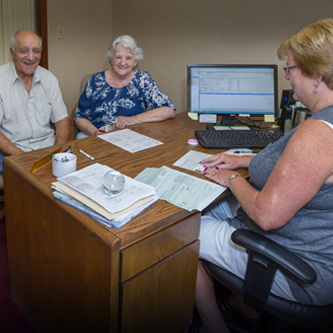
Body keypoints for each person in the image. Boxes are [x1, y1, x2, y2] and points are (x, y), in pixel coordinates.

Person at [192, 18, 333, 333]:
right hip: (315, 238)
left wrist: (232, 179)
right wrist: (243, 158)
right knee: (209, 205)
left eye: (290, 69)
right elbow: (305, 168)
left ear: (317, 76)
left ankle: (214, 326)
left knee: (179, 230)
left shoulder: (318, 133)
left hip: (300, 265)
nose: (288, 77)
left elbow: (267, 216)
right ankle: (247, 309)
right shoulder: (325, 122)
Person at [74, 35, 175, 139]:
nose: (122, 63)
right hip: (97, 137)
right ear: (111, 59)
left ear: (135, 61)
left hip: (132, 137)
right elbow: (79, 117)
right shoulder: (95, 81)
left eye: (128, 58)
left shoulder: (142, 80)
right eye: (118, 57)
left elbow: (168, 110)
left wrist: (134, 119)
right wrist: (94, 132)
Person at [0, 30, 69, 174]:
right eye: (24, 51)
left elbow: (61, 120)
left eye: (36, 51)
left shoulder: (49, 79)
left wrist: (57, 153)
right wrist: (24, 157)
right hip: (12, 151)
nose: (31, 57)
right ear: (12, 53)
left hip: (47, 149)